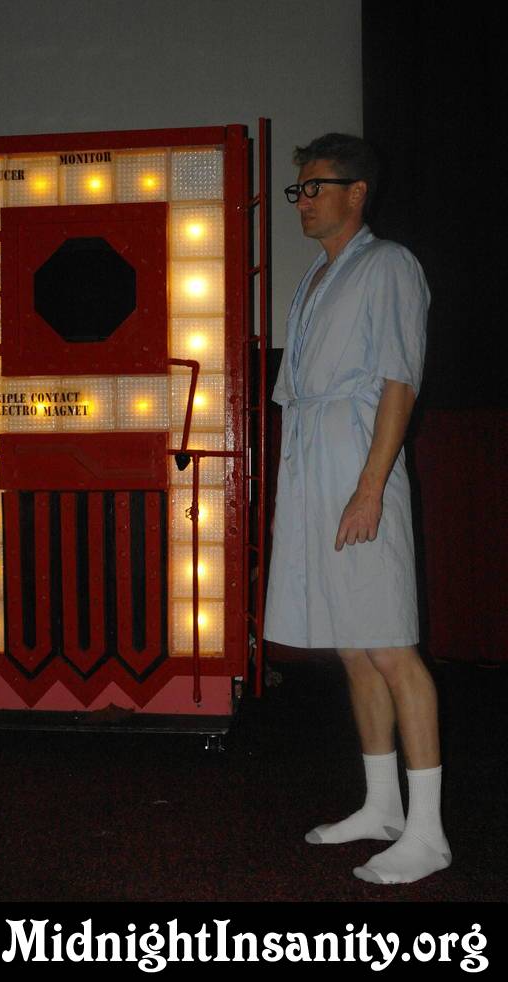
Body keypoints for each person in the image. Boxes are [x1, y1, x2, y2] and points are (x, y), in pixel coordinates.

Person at [264, 133, 451, 884]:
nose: (303, 202)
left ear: (357, 191)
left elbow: (400, 379)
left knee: (391, 645)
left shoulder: (389, 264)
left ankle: (428, 833)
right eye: (299, 190)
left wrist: (371, 486)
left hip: (360, 462)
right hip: (316, 464)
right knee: (351, 644)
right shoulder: (317, 277)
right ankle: (382, 806)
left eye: (316, 188)